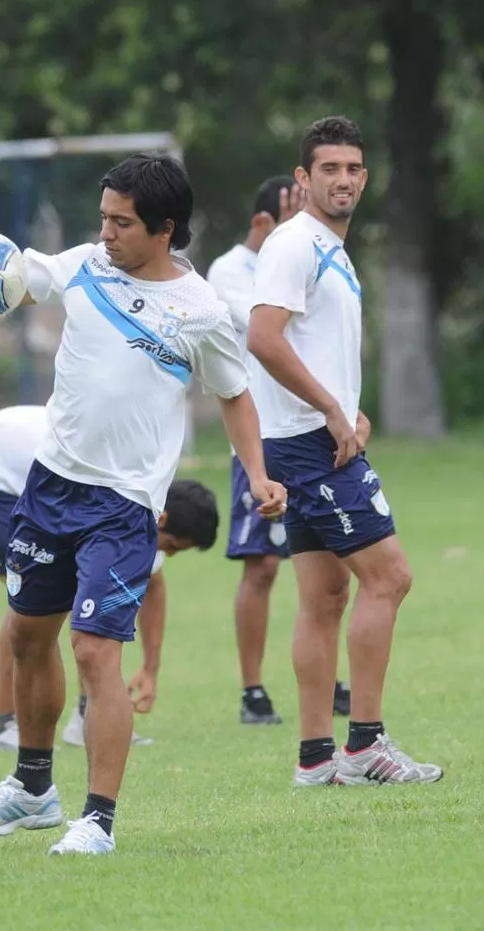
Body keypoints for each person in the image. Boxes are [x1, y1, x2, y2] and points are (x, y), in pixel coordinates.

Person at [0, 153, 287, 854]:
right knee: (25, 636)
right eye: (103, 218)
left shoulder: (201, 313)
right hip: (49, 487)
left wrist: (256, 474)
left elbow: (235, 394)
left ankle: (97, 819)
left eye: (121, 222)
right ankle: (33, 789)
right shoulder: (86, 265)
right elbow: (5, 272)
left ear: (165, 228)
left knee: (95, 650)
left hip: (124, 504)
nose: (106, 232)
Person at [247, 116, 442, 786]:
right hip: (309, 445)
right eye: (328, 168)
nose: (344, 179)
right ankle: (364, 745)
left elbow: (307, 344)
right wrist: (331, 410)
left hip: (312, 437)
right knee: (389, 577)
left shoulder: (332, 248)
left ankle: (314, 759)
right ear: (302, 180)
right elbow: (264, 337)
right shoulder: (295, 244)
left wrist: (348, 404)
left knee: (326, 595)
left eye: (353, 168)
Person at [0, 405, 220, 752]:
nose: (166, 555)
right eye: (171, 545)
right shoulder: (124, 487)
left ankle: (83, 715)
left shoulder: (139, 490)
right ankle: (8, 727)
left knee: (71, 595)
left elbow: (152, 583)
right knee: (36, 602)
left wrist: (151, 668)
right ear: (163, 519)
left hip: (32, 478)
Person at [208, 178, 351, 725]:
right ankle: (252, 690)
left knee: (325, 567)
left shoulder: (310, 255)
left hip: (309, 434)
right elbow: (269, 332)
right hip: (260, 441)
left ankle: (328, 679)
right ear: (264, 224)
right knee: (262, 567)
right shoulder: (228, 271)